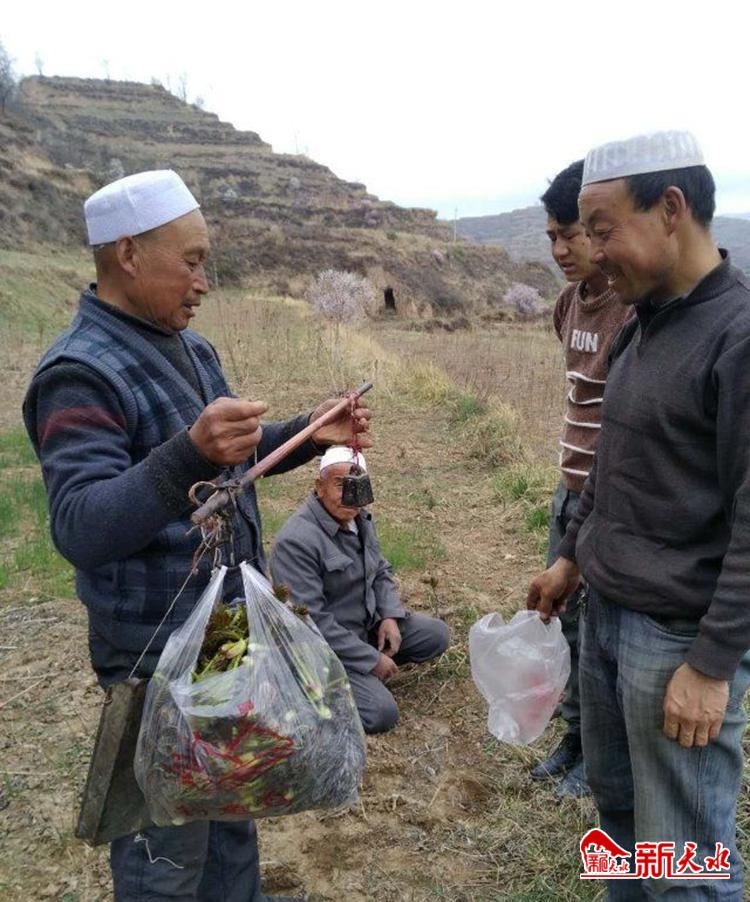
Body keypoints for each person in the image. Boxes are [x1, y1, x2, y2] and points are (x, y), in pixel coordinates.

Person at [22, 170, 372, 902]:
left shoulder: (191, 348)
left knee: (232, 800)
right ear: (128, 254)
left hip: (224, 633)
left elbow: (228, 457)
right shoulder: (79, 372)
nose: (204, 282)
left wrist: (307, 434)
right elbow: (80, 525)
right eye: (191, 262)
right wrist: (186, 453)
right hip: (155, 650)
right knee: (166, 844)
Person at [528, 131, 750, 900]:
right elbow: (607, 463)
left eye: (601, 229)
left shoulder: (737, 338)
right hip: (607, 616)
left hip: (676, 640)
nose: (590, 251)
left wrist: (711, 665)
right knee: (619, 822)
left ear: (671, 209)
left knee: (686, 859)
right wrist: (571, 556)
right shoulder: (642, 323)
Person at [530, 161, 631, 799]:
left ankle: (599, 756)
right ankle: (574, 738)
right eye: (552, 238)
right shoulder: (568, 305)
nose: (561, 250)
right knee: (561, 618)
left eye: (570, 234)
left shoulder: (632, 307)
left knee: (599, 636)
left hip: (610, 501)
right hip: (568, 492)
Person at [270, 446, 449, 734]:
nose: (351, 495)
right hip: (324, 649)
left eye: (358, 486)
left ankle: (366, 670)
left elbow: (380, 569)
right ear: (319, 486)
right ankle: (319, 684)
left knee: (436, 635)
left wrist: (389, 615)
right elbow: (311, 622)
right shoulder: (296, 541)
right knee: (381, 713)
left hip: (365, 626)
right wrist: (370, 659)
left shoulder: (359, 518)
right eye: (341, 485)